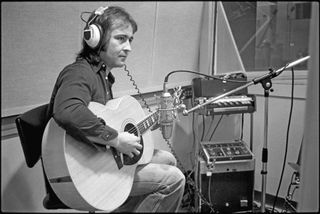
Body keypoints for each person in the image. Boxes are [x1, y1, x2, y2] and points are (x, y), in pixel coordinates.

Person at [47, 5, 185, 212]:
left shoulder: (103, 77)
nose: (128, 47)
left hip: (106, 159)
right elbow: (68, 110)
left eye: (130, 40)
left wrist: (155, 120)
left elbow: (109, 121)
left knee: (168, 159)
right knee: (174, 179)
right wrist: (116, 139)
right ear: (96, 40)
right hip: (91, 172)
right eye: (121, 38)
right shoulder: (79, 73)